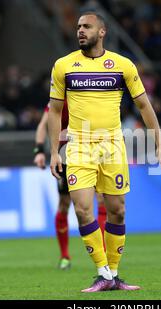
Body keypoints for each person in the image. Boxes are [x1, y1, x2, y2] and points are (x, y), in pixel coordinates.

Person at [47, 12, 161, 292]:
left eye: (87, 27)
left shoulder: (122, 65)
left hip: (112, 146)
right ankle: (102, 272)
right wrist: (55, 151)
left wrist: (160, 144)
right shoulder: (63, 66)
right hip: (78, 146)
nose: (80, 31)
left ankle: (113, 275)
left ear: (102, 32)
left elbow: (143, 105)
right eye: (78, 26)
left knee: (117, 211)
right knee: (82, 209)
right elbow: (55, 111)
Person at [33, 100, 107, 270]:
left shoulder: (87, 91)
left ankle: (103, 254)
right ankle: (65, 256)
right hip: (66, 156)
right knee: (65, 204)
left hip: (93, 151)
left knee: (102, 199)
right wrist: (38, 151)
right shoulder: (58, 98)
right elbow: (43, 125)